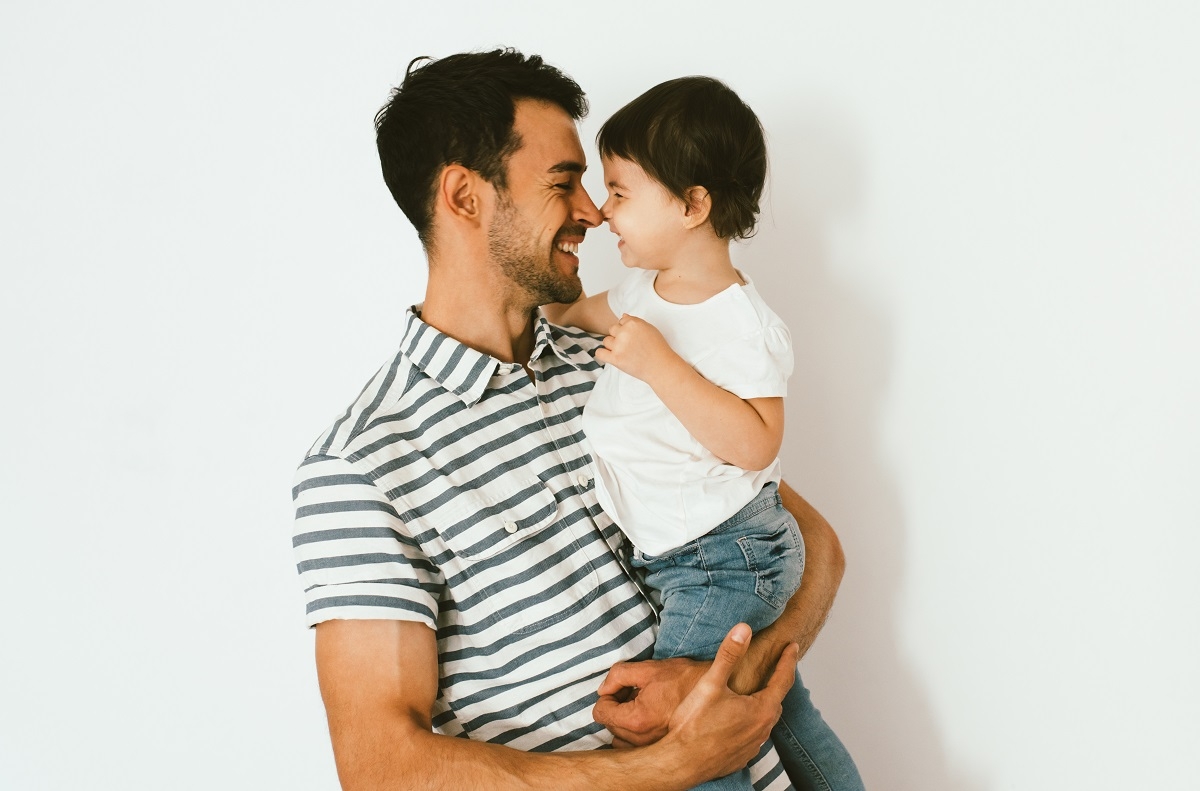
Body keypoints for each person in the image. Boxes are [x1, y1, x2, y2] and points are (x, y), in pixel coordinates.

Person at [291, 48, 846, 791]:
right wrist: (673, 761)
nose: (593, 211)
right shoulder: (361, 467)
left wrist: (720, 674)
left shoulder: (625, 354)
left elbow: (808, 542)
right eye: (564, 182)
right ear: (464, 197)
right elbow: (385, 769)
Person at [542, 77, 864, 791]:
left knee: (686, 730)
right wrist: (540, 315)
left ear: (692, 204)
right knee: (781, 708)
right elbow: (575, 315)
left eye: (621, 192)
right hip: (693, 554)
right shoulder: (639, 293)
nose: (603, 212)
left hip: (723, 555)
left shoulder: (739, 323)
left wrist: (659, 366)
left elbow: (756, 445)